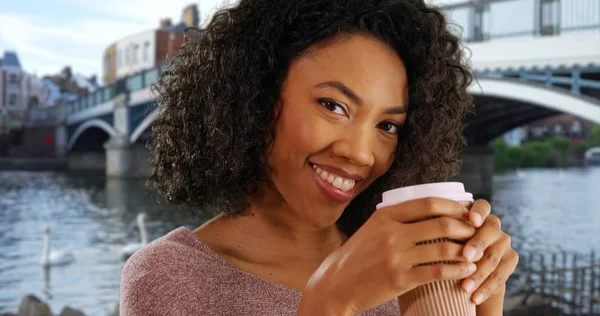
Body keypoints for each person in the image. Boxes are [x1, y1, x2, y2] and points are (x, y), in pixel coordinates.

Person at [120, 0, 518, 315]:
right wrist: (329, 305)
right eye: (333, 105)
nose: (361, 153)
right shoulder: (169, 279)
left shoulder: (408, 267)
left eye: (388, 126)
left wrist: (482, 297)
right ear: (256, 96)